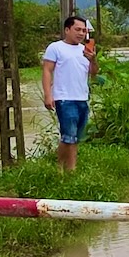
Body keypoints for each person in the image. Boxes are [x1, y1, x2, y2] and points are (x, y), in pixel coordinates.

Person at [42, 15, 98, 172]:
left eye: (84, 30)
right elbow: (47, 70)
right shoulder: (55, 47)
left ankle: (62, 168)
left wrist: (93, 59)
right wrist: (48, 95)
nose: (81, 33)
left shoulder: (85, 50)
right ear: (67, 30)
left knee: (75, 138)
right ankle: (68, 170)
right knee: (69, 136)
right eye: (77, 29)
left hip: (82, 98)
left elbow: (93, 73)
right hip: (64, 98)